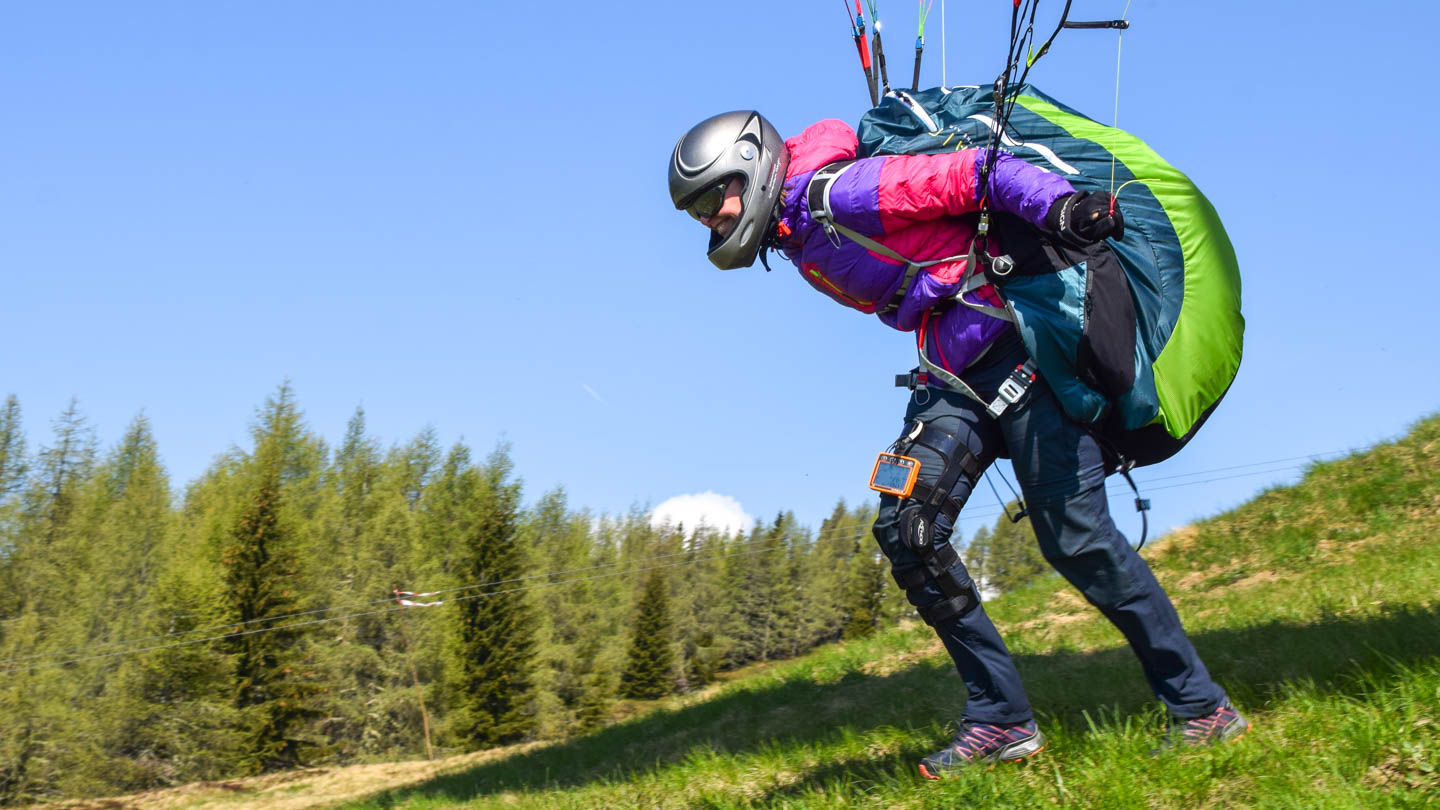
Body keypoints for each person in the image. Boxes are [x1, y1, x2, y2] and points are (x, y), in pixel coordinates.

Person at [667, 110, 1250, 778]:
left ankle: (1200, 708)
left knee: (1077, 540)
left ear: (753, 168)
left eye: (712, 200)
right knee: (905, 523)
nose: (710, 220)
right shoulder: (797, 229)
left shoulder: (843, 194)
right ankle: (1000, 718)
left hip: (1022, 356)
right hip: (950, 375)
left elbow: (981, 173)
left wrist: (1060, 208)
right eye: (697, 213)